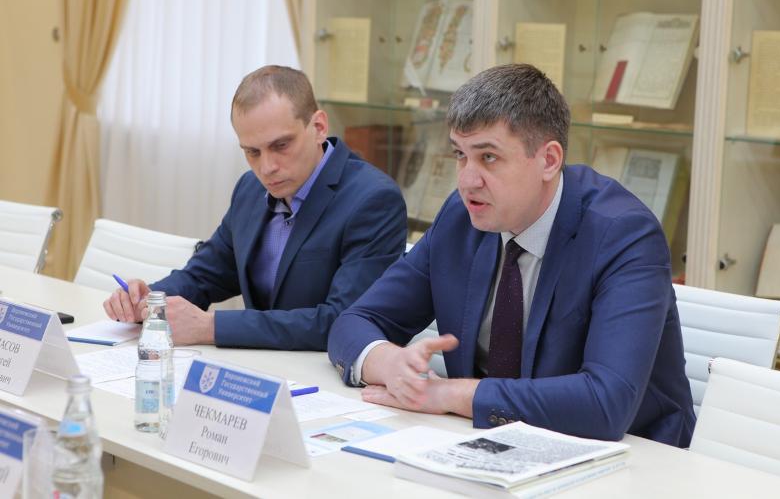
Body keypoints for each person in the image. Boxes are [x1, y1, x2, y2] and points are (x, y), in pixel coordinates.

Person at [327, 64, 696, 447]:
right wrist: (388, 363)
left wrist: (450, 394)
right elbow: (355, 321)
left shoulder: (623, 234)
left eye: (488, 157)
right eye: (460, 155)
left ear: (549, 160)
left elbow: (606, 404)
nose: (467, 180)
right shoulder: (461, 217)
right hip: (490, 446)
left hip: (632, 457)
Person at [104, 65, 407, 350]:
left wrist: (211, 327)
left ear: (318, 127)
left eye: (281, 145)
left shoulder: (373, 200)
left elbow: (343, 320)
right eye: (252, 152)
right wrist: (149, 300)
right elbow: (204, 276)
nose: (267, 167)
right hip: (260, 368)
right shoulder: (250, 188)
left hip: (327, 374)